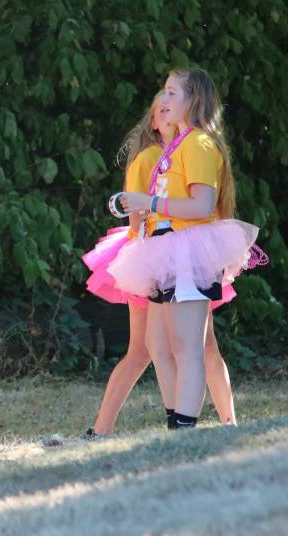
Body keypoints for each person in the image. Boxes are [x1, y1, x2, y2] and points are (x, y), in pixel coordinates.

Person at [110, 68, 258, 429]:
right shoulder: (177, 145)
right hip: (166, 249)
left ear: (194, 100)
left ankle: (184, 428)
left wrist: (150, 202)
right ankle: (176, 421)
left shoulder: (200, 144)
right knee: (159, 345)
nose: (164, 98)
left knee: (187, 347)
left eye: (172, 92)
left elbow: (202, 206)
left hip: (189, 252)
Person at [84, 94, 239, 435]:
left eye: (172, 100)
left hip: (179, 252)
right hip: (153, 255)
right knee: (151, 348)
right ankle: (110, 425)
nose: (166, 111)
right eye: (160, 109)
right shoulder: (153, 157)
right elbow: (137, 218)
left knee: (187, 346)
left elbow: (195, 204)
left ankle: (214, 421)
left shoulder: (184, 150)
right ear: (153, 123)